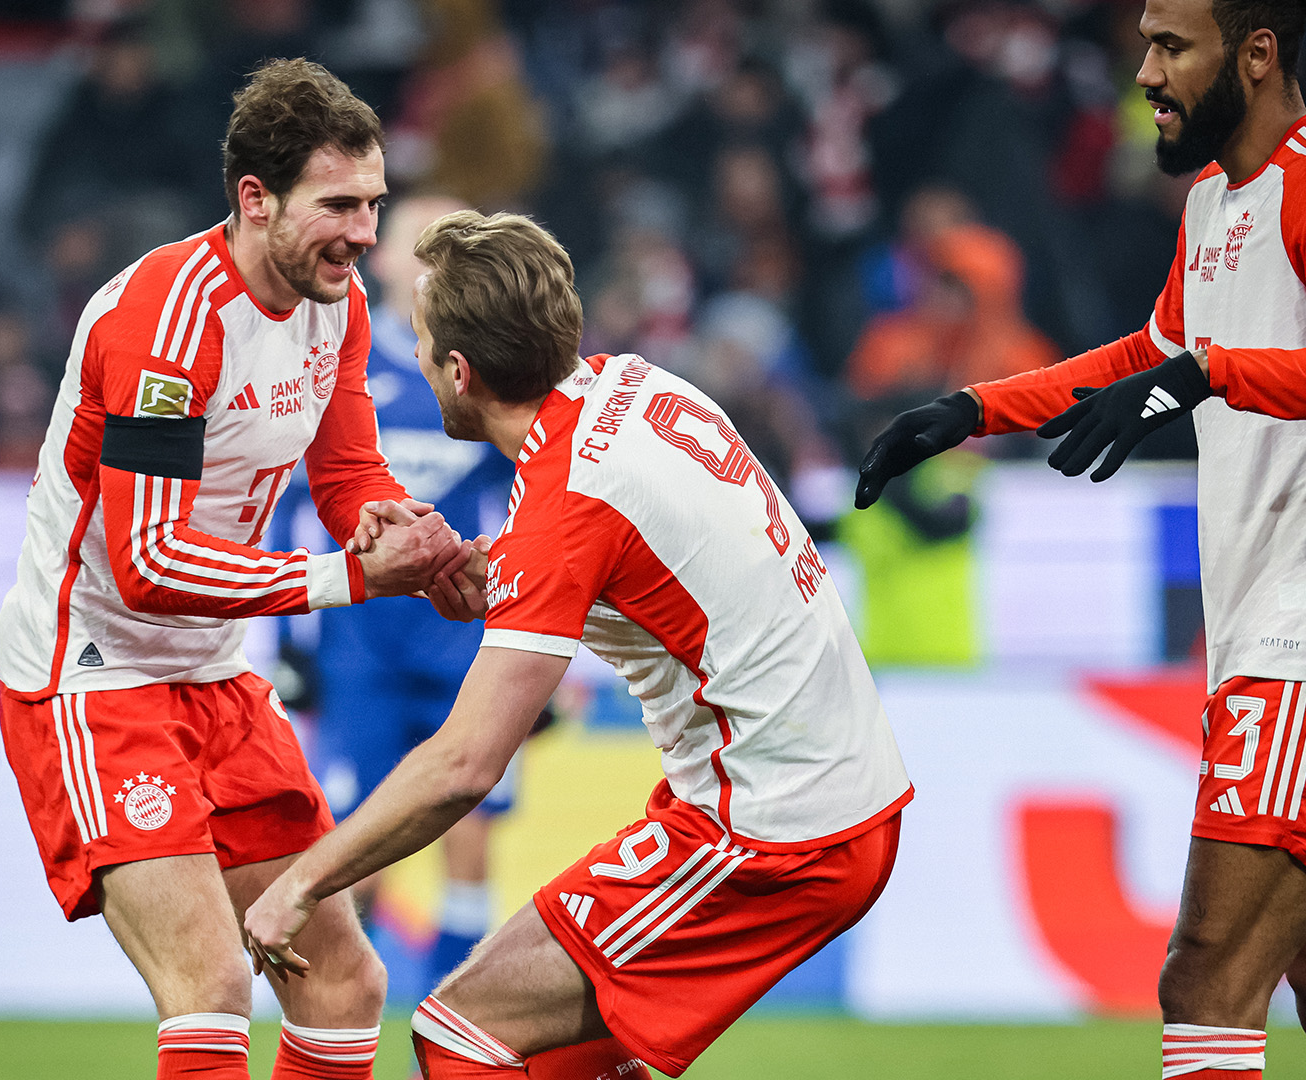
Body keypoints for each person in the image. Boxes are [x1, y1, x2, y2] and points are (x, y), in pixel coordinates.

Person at [243, 211, 914, 1079]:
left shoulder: (566, 499)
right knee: (572, 1061)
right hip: (817, 799)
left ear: (459, 370)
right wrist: (495, 574)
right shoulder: (633, 387)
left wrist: (301, 884)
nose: (411, 360)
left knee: (461, 1034)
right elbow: (641, 564)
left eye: (418, 341)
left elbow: (462, 766)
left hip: (775, 831)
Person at [0, 59, 466, 1080]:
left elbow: (348, 472)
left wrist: (406, 536)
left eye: (373, 204)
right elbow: (150, 559)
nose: (366, 235)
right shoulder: (168, 323)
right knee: (211, 981)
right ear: (255, 200)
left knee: (340, 976)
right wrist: (352, 577)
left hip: (211, 674)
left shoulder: (334, 304)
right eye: (339, 204)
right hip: (95, 674)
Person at [855, 0, 1306, 1074]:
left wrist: (1207, 376)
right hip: (1256, 632)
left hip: (1295, 649)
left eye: (1170, 47)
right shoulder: (1212, 204)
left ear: (1255, 55)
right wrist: (970, 410)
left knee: (1205, 980)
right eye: (1143, 43)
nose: (1143, 70)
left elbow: (1187, 365)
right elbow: (1143, 353)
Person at [281, 192, 521, 994]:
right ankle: (339, 991)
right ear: (378, 255)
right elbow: (292, 507)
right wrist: (290, 642)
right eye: (413, 240)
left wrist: (543, 632)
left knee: (472, 818)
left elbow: (535, 501)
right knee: (358, 824)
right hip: (363, 642)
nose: (423, 256)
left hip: (462, 636)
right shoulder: (339, 360)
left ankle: (458, 995)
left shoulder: (485, 369)